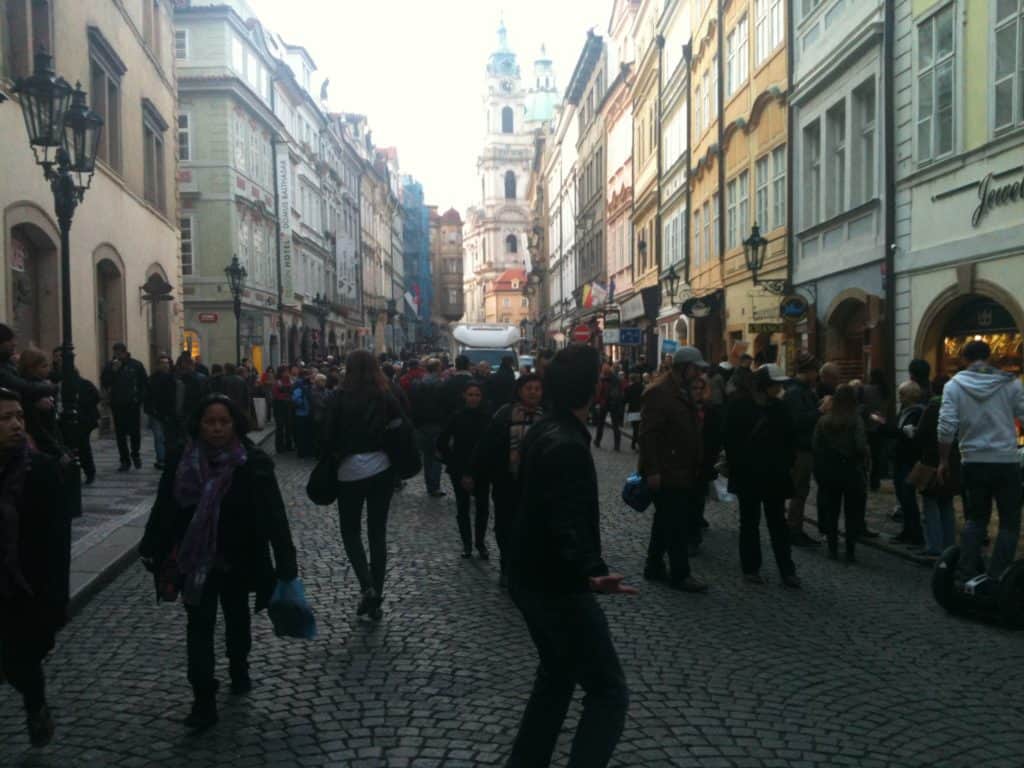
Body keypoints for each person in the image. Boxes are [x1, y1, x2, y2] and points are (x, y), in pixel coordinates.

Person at [505, 344, 634, 768]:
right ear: (590, 389)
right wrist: (590, 574)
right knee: (608, 690)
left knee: (557, 676)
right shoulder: (566, 443)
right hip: (555, 585)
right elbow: (560, 520)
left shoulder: (545, 428)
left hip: (530, 576)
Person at [139, 394, 298, 730]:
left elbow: (274, 514)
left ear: (235, 425)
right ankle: (203, 698)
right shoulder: (181, 461)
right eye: (209, 422)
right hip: (195, 560)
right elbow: (166, 506)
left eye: (223, 422)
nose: (215, 429)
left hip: (239, 557)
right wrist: (152, 543)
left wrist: (286, 560)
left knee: (237, 616)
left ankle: (239, 665)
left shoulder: (252, 463)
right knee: (198, 625)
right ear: (198, 423)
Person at [0, 388, 69, 747]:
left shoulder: (41, 471)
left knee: (21, 663)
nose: (15, 424)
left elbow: (57, 543)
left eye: (19, 417)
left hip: (23, 588)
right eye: (5, 418)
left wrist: (56, 601)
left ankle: (35, 703)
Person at [324, 350, 403, 620]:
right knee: (377, 533)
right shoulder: (385, 396)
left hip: (349, 470)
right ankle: (376, 596)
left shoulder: (339, 398)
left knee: (350, 531)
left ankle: (367, 586)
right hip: (381, 468)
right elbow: (401, 427)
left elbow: (326, 433)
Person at [938, 340, 1024, 585]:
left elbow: (946, 427)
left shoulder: (954, 386)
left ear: (964, 359)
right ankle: (998, 577)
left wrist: (944, 460)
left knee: (976, 519)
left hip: (973, 461)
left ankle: (966, 572)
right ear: (989, 357)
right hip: (1006, 461)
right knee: (1009, 522)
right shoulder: (1010, 384)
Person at [638, 346, 709, 593]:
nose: (699, 373)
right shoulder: (659, 393)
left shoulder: (682, 390)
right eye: (696, 368)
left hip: (681, 467)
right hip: (667, 469)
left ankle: (654, 565)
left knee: (664, 520)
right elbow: (648, 436)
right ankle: (681, 574)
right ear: (684, 368)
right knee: (677, 524)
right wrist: (653, 470)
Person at [725, 365, 800, 585]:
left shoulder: (780, 407)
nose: (779, 388)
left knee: (777, 523)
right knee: (750, 522)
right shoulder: (739, 406)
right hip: (749, 474)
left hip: (774, 475)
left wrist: (787, 463)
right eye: (776, 384)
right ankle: (751, 568)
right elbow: (730, 440)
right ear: (763, 386)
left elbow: (790, 439)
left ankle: (787, 570)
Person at [474, 373, 545, 587]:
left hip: (538, 482)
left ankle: (530, 566)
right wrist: (476, 473)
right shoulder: (504, 414)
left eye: (537, 388)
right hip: (507, 480)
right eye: (529, 388)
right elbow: (487, 445)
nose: (533, 392)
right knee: (506, 525)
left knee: (534, 526)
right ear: (519, 391)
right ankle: (507, 566)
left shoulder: (548, 416)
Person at [813, 384, 870, 563]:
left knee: (832, 510)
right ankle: (850, 551)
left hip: (830, 470)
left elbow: (815, 445)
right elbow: (860, 445)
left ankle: (832, 548)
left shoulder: (824, 420)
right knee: (852, 512)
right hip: (851, 470)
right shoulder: (856, 420)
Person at [436, 381, 491, 558]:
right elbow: (442, 441)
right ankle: (467, 544)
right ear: (464, 396)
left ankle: (480, 543)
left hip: (482, 468)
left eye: (477, 395)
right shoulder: (457, 417)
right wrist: (451, 461)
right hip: (460, 468)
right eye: (470, 394)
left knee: (482, 507)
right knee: (463, 507)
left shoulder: (488, 417)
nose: (474, 398)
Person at [915, 376, 959, 557]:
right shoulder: (958, 407)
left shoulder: (932, 408)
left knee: (931, 505)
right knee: (947, 504)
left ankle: (934, 545)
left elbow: (921, 435)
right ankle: (950, 545)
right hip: (953, 460)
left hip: (932, 462)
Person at [783, 353, 822, 547]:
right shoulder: (795, 392)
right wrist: (820, 411)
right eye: (815, 371)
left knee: (801, 490)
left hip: (804, 447)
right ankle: (793, 529)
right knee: (799, 491)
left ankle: (794, 527)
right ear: (808, 371)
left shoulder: (803, 390)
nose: (817, 375)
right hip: (800, 448)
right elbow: (798, 421)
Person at [882, 381, 926, 546]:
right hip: (900, 458)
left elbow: (910, 435)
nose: (900, 397)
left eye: (902, 394)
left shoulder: (916, 412)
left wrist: (887, 428)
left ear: (912, 395)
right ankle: (907, 531)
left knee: (908, 497)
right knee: (903, 497)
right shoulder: (904, 411)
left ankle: (915, 534)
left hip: (909, 460)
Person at [51, 348, 100, 486]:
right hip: (60, 418)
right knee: (65, 446)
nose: (58, 359)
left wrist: (78, 406)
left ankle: (89, 472)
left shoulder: (75, 376)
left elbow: (94, 396)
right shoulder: (52, 375)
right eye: (56, 356)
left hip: (80, 419)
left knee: (82, 446)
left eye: (61, 356)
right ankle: (69, 473)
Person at [100, 342, 148, 471]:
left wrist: (139, 398)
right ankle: (124, 460)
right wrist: (113, 371)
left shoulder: (136, 365)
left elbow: (144, 383)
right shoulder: (110, 366)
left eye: (119, 352)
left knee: (134, 432)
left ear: (125, 352)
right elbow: (105, 382)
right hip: (117, 404)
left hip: (132, 404)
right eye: (115, 352)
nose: (117, 355)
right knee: (120, 434)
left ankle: (135, 454)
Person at [17, 348, 67, 462]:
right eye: (44, 366)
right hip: (42, 447)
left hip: (50, 442)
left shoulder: (42, 385)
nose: (48, 369)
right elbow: (38, 428)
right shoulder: (35, 391)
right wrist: (58, 451)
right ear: (31, 369)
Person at [409, 359, 446, 497]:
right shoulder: (441, 384)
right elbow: (444, 406)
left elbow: (412, 403)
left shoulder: (417, 384)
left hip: (421, 424)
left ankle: (429, 485)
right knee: (436, 456)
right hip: (436, 424)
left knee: (427, 456)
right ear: (437, 369)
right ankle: (434, 486)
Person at [146, 354, 179, 470]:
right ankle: (161, 459)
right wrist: (150, 409)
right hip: (156, 413)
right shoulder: (152, 379)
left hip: (170, 413)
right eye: (162, 363)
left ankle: (168, 458)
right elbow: (148, 395)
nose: (165, 365)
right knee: (159, 437)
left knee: (169, 437)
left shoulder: (174, 378)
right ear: (158, 365)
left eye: (167, 363)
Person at [593, 362, 625, 451]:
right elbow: (621, 391)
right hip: (614, 404)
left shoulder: (602, 379)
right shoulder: (616, 379)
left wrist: (597, 402)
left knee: (601, 423)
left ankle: (597, 441)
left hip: (605, 403)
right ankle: (617, 445)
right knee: (615, 425)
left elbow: (599, 392)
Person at [291, 370, 313, 459]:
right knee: (301, 434)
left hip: (307, 413)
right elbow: (295, 398)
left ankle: (306, 451)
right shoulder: (299, 385)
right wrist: (303, 404)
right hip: (301, 413)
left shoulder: (307, 385)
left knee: (306, 433)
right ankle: (302, 452)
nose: (310, 377)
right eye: (308, 375)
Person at [271, 366, 293, 453]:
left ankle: (288, 445)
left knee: (288, 426)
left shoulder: (290, 380)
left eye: (287, 371)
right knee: (280, 427)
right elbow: (276, 394)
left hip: (288, 405)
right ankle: (279, 447)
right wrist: (286, 396)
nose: (287, 373)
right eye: (285, 371)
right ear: (281, 373)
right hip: (279, 406)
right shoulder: (277, 382)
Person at [623, 372, 644, 451]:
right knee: (639, 427)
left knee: (635, 428)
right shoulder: (642, 387)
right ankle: (635, 443)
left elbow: (625, 399)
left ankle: (635, 444)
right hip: (641, 409)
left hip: (632, 410)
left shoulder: (628, 388)